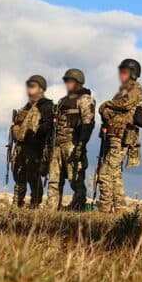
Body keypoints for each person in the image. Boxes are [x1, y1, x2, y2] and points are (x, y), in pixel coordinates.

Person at [96, 58, 142, 213]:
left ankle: (104, 208)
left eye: (124, 72)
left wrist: (107, 104)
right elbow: (106, 113)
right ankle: (120, 208)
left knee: (105, 171)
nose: (121, 75)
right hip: (112, 135)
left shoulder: (135, 90)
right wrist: (107, 108)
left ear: (133, 74)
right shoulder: (121, 92)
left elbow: (125, 104)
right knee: (115, 174)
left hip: (122, 136)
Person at [45, 69, 96, 211]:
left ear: (78, 82)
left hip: (72, 143)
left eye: (70, 81)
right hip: (57, 144)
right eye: (66, 81)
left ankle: (78, 209)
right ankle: (51, 210)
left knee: (76, 179)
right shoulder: (62, 101)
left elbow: (88, 123)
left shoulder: (85, 99)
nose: (67, 84)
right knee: (54, 180)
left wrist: (81, 144)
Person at [10, 75, 53, 208]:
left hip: (35, 147)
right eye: (28, 85)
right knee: (19, 175)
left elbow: (47, 126)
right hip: (21, 146)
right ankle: (18, 203)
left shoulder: (45, 105)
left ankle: (35, 202)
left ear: (41, 88)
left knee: (33, 176)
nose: (29, 89)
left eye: (33, 85)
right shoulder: (26, 107)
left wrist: (36, 139)